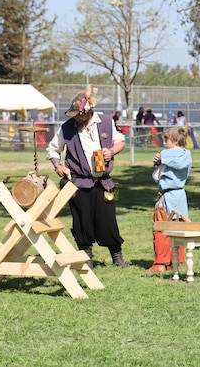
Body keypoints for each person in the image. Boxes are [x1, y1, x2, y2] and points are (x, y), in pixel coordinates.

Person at [46, 86, 127, 268]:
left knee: (108, 220)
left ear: (89, 111)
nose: (76, 118)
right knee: (82, 221)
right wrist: (58, 165)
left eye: (79, 114)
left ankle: (117, 256)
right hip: (79, 183)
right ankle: (86, 256)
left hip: (104, 183)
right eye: (74, 114)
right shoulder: (66, 128)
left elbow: (120, 141)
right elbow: (52, 149)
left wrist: (111, 151)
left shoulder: (107, 122)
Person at [145, 127, 192, 273]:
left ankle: (161, 263)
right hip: (178, 197)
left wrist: (162, 158)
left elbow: (176, 162)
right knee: (178, 228)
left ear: (176, 141)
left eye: (166, 140)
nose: (164, 143)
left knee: (161, 228)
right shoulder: (186, 155)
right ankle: (175, 261)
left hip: (169, 196)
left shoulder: (171, 155)